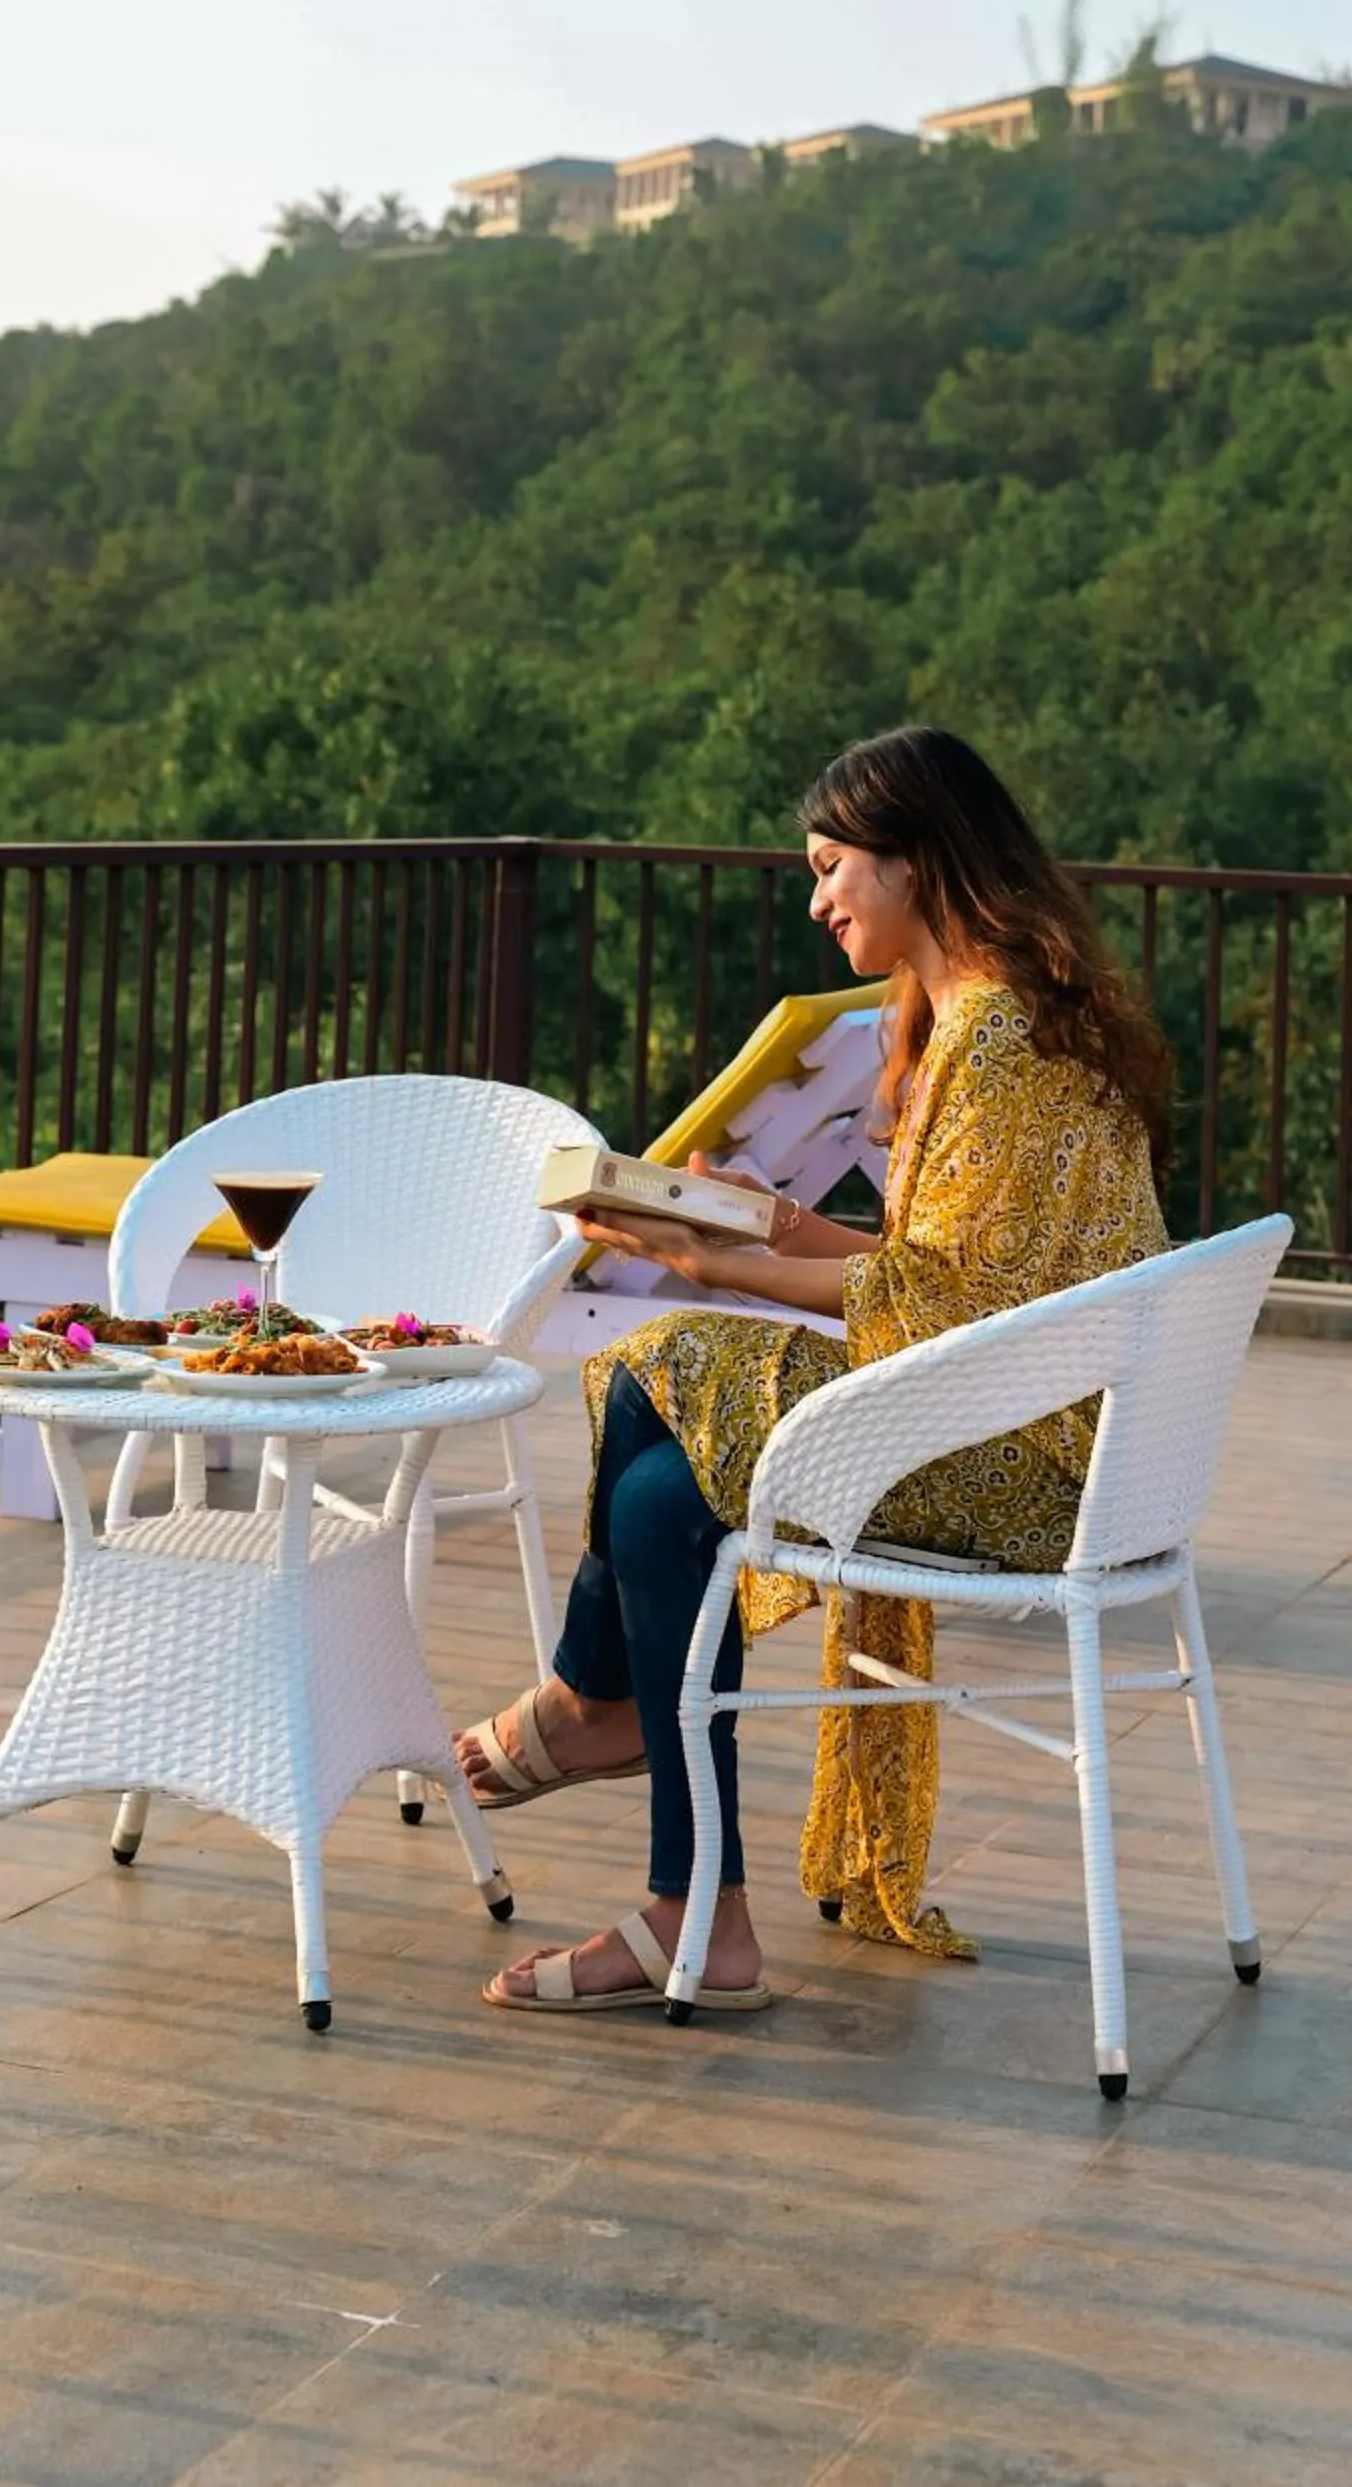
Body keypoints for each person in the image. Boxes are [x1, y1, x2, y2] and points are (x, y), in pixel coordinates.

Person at [456, 725, 1173, 2015]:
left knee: (655, 1363)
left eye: (836, 863)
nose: (819, 896)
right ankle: (696, 1907)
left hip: (1033, 1463)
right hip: (1046, 1430)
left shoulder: (999, 1040)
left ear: (919, 860)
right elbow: (944, 1264)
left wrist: (714, 1263)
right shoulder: (987, 1011)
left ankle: (595, 1707)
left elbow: (943, 1298)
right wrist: (754, 1226)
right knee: (656, 1504)